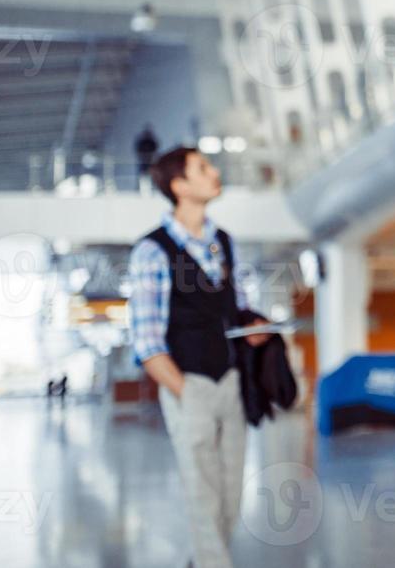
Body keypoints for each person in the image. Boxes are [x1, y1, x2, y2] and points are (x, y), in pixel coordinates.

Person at [127, 145, 268, 568]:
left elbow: (234, 307)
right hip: (189, 384)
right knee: (201, 491)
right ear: (179, 186)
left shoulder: (224, 242)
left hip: (231, 382)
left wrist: (254, 327)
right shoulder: (151, 251)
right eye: (203, 168)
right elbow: (147, 341)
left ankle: (203, 562)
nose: (215, 172)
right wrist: (184, 392)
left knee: (230, 493)